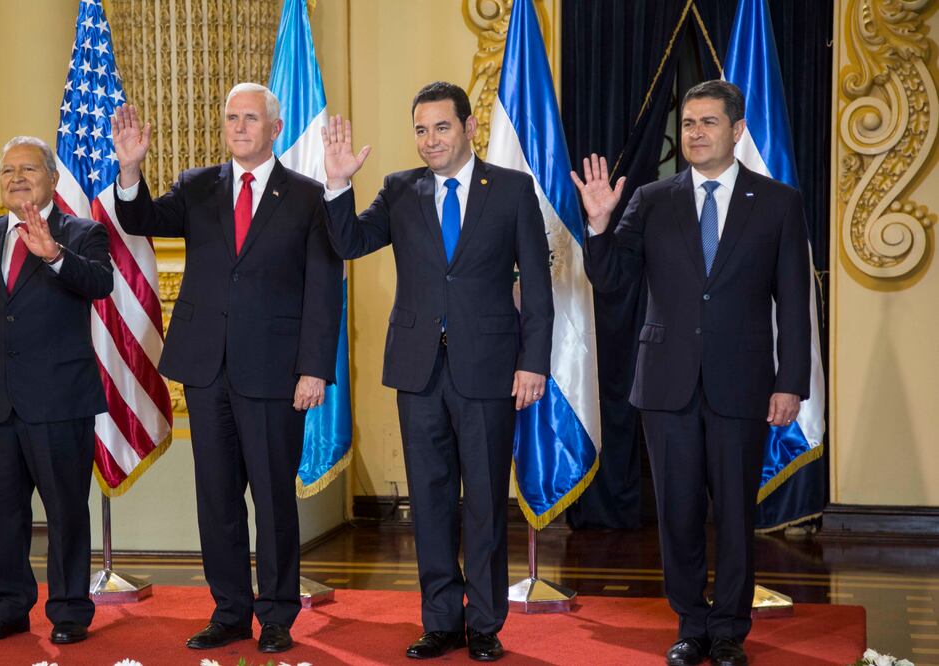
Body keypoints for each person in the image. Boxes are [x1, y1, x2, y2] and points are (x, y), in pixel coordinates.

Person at [572, 80, 811, 666]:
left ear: (737, 129)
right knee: (676, 510)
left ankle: (729, 629)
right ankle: (691, 623)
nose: (695, 133)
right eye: (687, 124)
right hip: (666, 382)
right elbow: (612, 281)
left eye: (707, 122)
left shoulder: (778, 202)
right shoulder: (653, 199)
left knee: (734, 512)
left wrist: (791, 381)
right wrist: (600, 225)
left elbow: (795, 302)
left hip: (744, 380)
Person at [321, 81, 553, 662]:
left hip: (491, 369)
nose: (430, 140)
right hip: (419, 370)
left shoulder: (512, 189)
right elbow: (350, 242)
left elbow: (541, 290)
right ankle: (441, 620)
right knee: (427, 499)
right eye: (420, 130)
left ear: (469, 127)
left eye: (441, 127)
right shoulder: (400, 190)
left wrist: (534, 363)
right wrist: (338, 184)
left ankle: (485, 624)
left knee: (483, 503)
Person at [110, 82, 342, 655]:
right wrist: (131, 171)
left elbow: (323, 289)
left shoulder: (309, 197)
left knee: (272, 501)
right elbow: (141, 218)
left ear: (275, 128)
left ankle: (279, 616)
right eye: (231, 118)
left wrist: (314, 368)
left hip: (276, 372)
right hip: (207, 369)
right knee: (216, 501)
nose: (239, 127)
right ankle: (230, 612)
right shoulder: (197, 186)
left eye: (250, 118)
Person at [0, 136, 114, 645]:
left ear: (52, 180)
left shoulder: (83, 233)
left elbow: (100, 284)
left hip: (59, 399)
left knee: (64, 510)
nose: (17, 178)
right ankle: (7, 608)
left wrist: (54, 255)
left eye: (29, 169)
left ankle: (69, 612)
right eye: (8, 170)